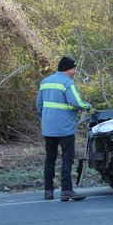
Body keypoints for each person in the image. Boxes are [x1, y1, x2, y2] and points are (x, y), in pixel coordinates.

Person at [36, 56, 91, 201]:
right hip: (64, 128)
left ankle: (48, 191)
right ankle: (66, 190)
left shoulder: (45, 82)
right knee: (67, 158)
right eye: (74, 68)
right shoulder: (67, 83)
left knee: (50, 159)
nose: (75, 71)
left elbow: (39, 105)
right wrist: (87, 106)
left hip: (48, 128)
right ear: (68, 69)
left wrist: (46, 119)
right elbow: (76, 102)